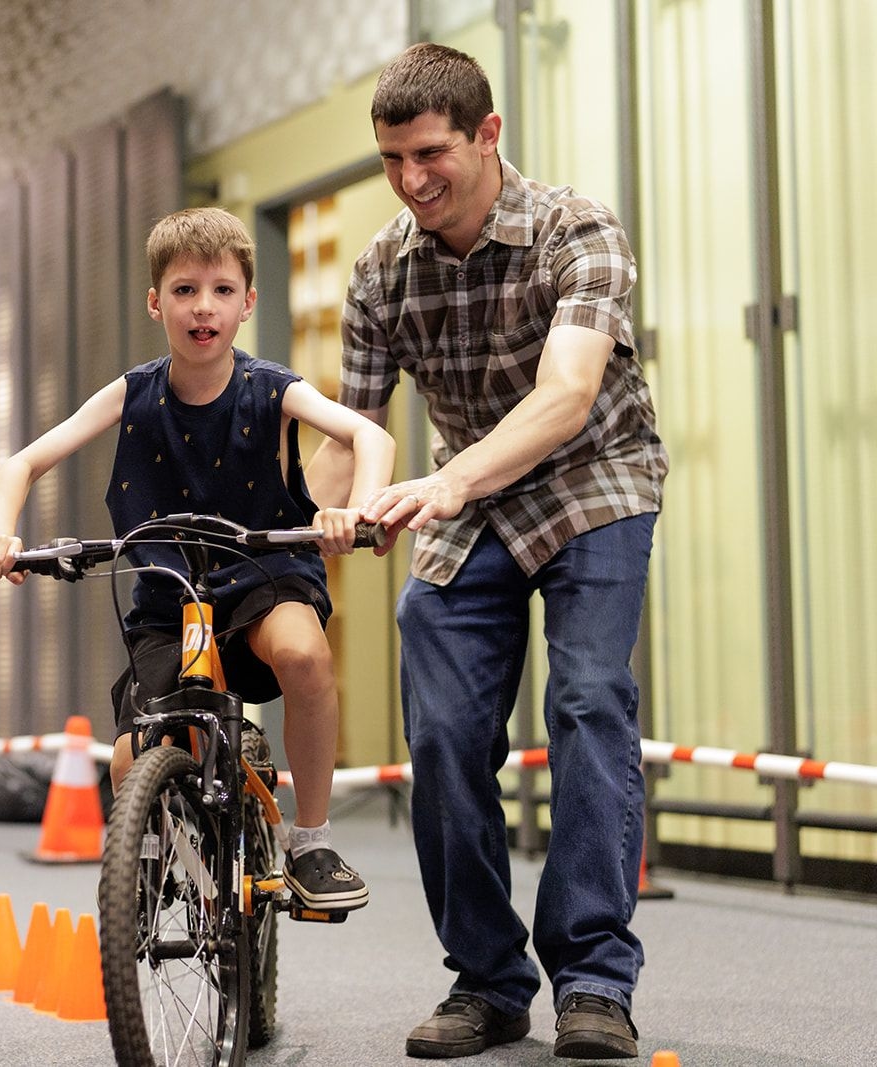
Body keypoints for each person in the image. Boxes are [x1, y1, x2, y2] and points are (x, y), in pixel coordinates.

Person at [311, 43, 669, 1060]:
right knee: (441, 733)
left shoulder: (576, 228)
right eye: (391, 159)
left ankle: (595, 975)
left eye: (431, 153)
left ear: (487, 134)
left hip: (592, 478)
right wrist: (306, 557)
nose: (411, 178)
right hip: (463, 503)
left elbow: (563, 397)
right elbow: (352, 428)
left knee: (589, 699)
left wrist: (447, 481)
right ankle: (486, 978)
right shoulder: (383, 268)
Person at [0, 207, 396, 915]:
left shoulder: (271, 389)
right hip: (171, 597)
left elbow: (366, 436)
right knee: (129, 759)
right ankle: (173, 856)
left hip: (264, 578)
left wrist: (361, 509)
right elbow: (22, 461)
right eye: (185, 290)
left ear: (248, 302)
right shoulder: (133, 394)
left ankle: (311, 840)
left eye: (223, 290)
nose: (204, 308)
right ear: (155, 301)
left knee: (305, 655)